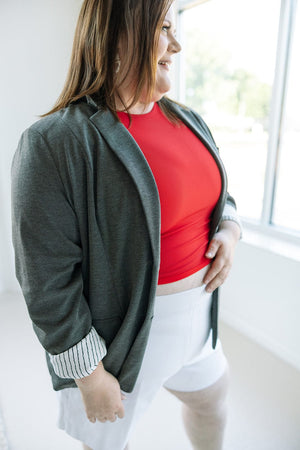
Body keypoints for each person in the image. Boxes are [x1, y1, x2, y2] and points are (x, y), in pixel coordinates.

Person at [11, 0, 242, 449]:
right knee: (107, 443)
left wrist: (229, 231)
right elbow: (45, 280)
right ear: (118, 35)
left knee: (213, 400)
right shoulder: (52, 145)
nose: (175, 45)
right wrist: (89, 375)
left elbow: (219, 196)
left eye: (176, 28)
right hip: (123, 339)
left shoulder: (189, 120)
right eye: (164, 28)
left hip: (199, 321)